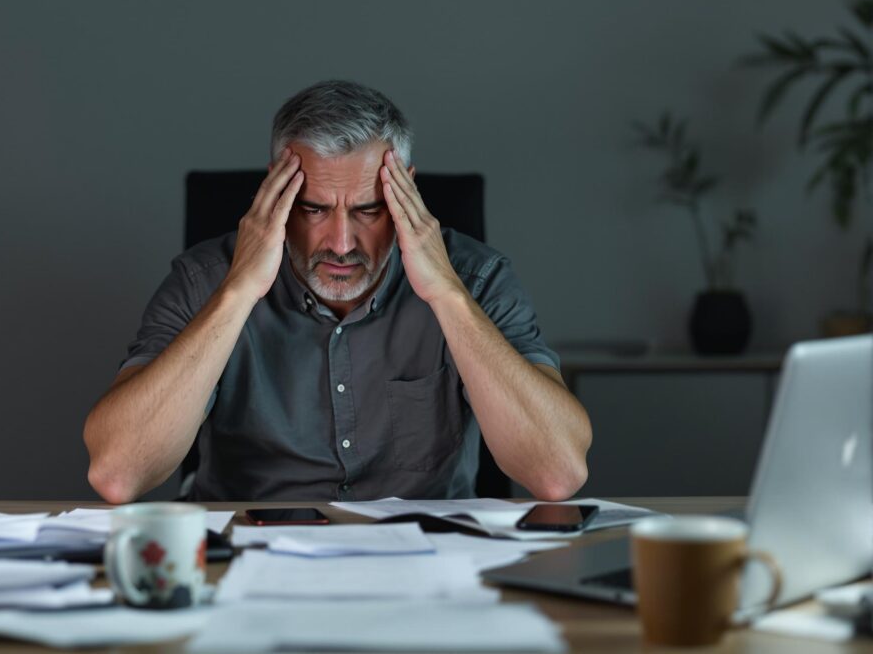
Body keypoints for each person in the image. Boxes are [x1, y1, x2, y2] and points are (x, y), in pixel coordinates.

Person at [84, 80, 591, 503]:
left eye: (369, 210)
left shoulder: (479, 279)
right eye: (313, 209)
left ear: (406, 193)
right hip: (245, 562)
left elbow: (557, 473)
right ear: (275, 195)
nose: (342, 244)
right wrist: (237, 292)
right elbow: (117, 473)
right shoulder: (204, 279)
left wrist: (448, 297)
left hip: (424, 563)